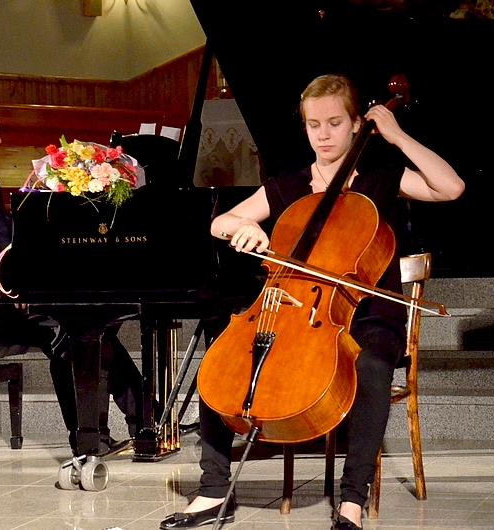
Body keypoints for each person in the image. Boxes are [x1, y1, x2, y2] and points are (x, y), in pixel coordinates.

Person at [159, 74, 464, 530]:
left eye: (335, 123)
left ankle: (352, 501)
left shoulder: (382, 179)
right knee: (225, 362)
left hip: (369, 316)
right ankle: (213, 491)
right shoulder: (289, 185)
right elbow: (220, 223)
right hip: (292, 311)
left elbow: (450, 187)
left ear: (357, 124)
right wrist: (244, 227)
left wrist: (398, 137)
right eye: (313, 125)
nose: (323, 135)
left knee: (370, 367)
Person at [0, 96, 139, 457]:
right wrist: (1, 283)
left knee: (91, 322)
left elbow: (9, 244)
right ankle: (92, 439)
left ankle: (138, 424)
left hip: (5, 301)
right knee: (65, 328)